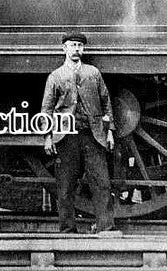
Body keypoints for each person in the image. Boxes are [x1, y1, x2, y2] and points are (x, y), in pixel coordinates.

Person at [41, 31, 116, 234]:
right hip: (66, 137)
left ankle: (105, 227)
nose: (75, 49)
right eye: (72, 45)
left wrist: (109, 132)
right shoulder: (55, 76)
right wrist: (48, 137)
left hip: (93, 135)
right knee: (65, 186)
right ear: (64, 48)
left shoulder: (93, 73)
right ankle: (67, 229)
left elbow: (106, 103)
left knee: (101, 183)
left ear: (83, 49)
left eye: (79, 46)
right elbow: (46, 109)